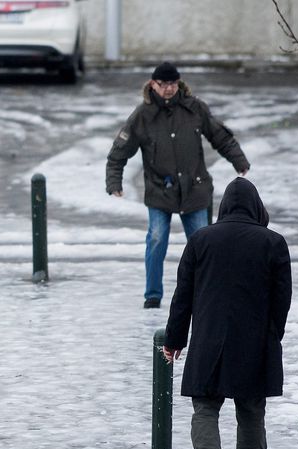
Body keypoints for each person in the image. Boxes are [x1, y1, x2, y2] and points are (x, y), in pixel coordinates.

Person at [162, 177, 292, 449]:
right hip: (254, 342)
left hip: (209, 340)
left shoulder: (200, 240)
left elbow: (183, 296)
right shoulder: (273, 243)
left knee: (205, 407)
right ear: (257, 207)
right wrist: (273, 334)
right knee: (251, 413)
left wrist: (174, 340)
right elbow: (282, 298)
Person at [105, 61, 251, 309]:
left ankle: (205, 292)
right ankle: (153, 295)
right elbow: (120, 151)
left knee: (203, 243)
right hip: (160, 190)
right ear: (153, 84)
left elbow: (219, 135)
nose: (169, 89)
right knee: (157, 238)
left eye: (173, 83)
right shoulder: (143, 115)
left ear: (179, 83)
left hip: (195, 189)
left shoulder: (194, 108)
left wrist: (239, 160)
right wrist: (114, 182)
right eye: (163, 84)